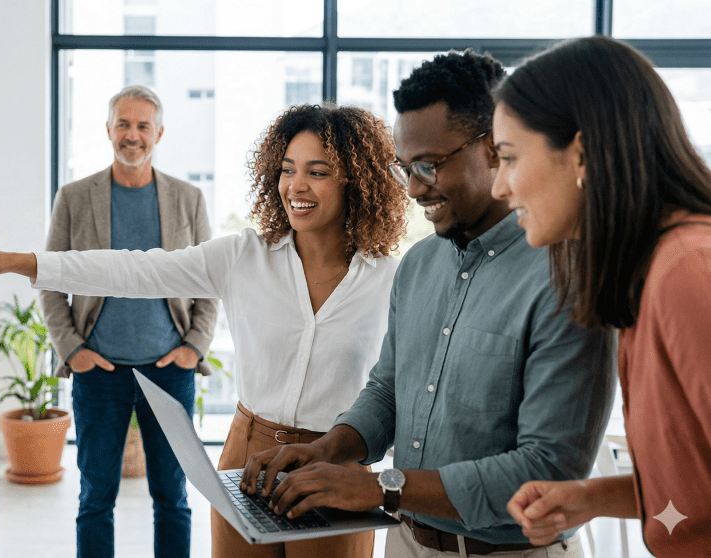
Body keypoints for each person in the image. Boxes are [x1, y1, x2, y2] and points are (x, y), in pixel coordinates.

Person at [0, 103, 410, 558]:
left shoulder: (392, 279)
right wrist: (11, 261)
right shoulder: (244, 256)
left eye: (317, 171)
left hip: (336, 461)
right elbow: (132, 271)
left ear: (357, 181)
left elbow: (398, 391)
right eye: (287, 169)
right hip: (250, 455)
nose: (295, 186)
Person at [238, 50, 617, 558]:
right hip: (408, 542)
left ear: (493, 148)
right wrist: (327, 448)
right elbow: (388, 390)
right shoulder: (419, 264)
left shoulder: (566, 279)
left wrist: (382, 489)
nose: (414, 188)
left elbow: (547, 470)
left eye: (429, 165)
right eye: (404, 168)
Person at [492, 36, 711, 558]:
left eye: (508, 157)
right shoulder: (654, 270)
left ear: (583, 154)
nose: (500, 186)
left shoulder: (688, 271)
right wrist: (593, 498)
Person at [40, 84, 217, 558]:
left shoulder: (188, 198)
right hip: (99, 373)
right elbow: (50, 279)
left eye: (142, 126)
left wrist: (193, 347)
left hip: (169, 371)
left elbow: (209, 281)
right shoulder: (75, 197)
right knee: (95, 499)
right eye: (124, 124)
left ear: (159, 132)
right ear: (108, 130)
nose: (132, 135)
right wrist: (72, 350)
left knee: (173, 499)